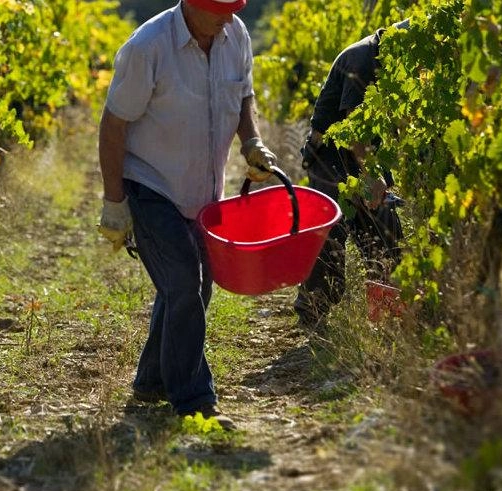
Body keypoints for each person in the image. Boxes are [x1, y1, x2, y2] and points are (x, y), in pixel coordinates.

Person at [98, 0, 277, 430]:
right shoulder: (148, 47)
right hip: (150, 184)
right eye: (221, 9)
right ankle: (195, 401)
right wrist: (114, 202)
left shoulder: (236, 38)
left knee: (193, 289)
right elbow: (114, 124)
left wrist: (251, 141)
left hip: (203, 193)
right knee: (184, 283)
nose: (231, 18)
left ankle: (152, 381)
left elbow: (244, 96)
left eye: (236, 8)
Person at [295, 21, 409, 332]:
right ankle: (312, 308)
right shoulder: (364, 59)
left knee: (386, 233)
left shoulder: (394, 63)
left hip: (362, 152)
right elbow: (355, 129)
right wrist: (371, 177)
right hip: (330, 155)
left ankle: (387, 317)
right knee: (332, 230)